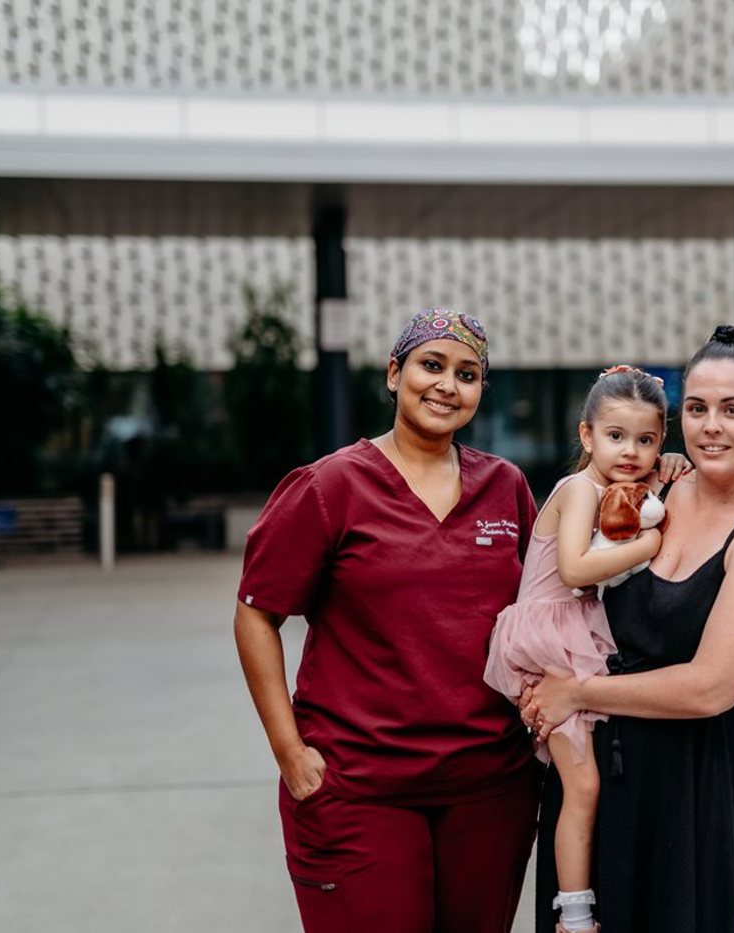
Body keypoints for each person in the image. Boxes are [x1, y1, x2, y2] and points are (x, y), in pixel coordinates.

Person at [233, 308, 541, 933]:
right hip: (359, 790)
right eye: (432, 366)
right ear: (395, 374)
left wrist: (664, 475)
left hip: (489, 790)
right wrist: (290, 752)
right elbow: (256, 614)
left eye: (468, 374)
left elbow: (553, 594)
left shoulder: (504, 487)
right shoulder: (330, 487)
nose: (447, 386)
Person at [521, 323, 734, 933]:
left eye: (733, 410)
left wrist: (574, 691)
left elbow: (711, 687)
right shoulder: (655, 492)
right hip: (596, 781)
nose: (711, 425)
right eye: (698, 409)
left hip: (691, 794)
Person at [483, 365, 687, 933]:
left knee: (592, 777)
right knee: (585, 784)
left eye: (647, 440)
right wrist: (649, 540)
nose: (630, 450)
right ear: (586, 435)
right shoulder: (578, 490)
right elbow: (574, 569)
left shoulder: (627, 490)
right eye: (616, 436)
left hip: (575, 635)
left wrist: (667, 473)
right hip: (551, 639)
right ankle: (574, 914)